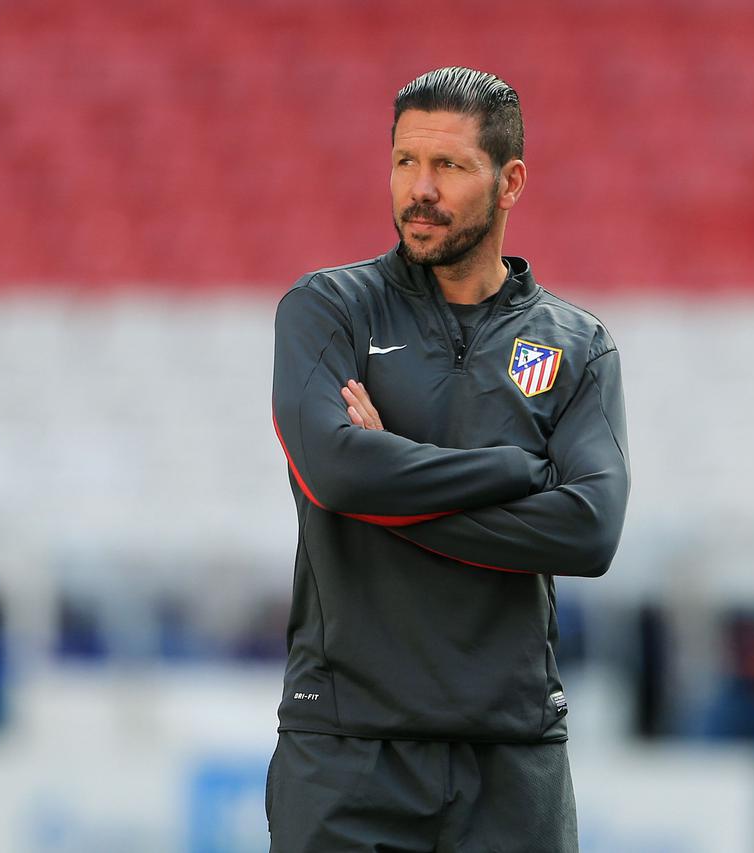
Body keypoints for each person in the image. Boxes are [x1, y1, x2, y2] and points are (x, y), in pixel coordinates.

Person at [267, 66, 631, 853]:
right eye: (405, 162)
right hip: (345, 751)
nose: (419, 189)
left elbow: (590, 532)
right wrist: (514, 469)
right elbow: (335, 471)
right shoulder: (328, 309)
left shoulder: (577, 346)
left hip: (511, 756)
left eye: (449, 166)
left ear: (510, 182)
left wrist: (382, 483)